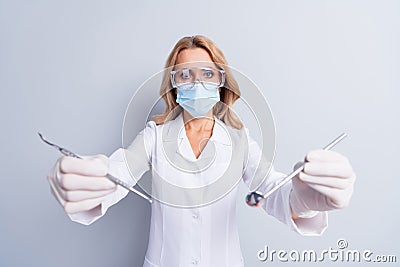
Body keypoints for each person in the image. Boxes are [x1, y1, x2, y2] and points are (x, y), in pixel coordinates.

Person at [46, 35, 356, 267]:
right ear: (174, 84)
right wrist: (91, 185)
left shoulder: (240, 140)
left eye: (207, 74)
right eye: (185, 75)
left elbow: (272, 191)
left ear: (222, 81)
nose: (197, 83)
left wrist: (304, 201)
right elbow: (119, 173)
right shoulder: (155, 136)